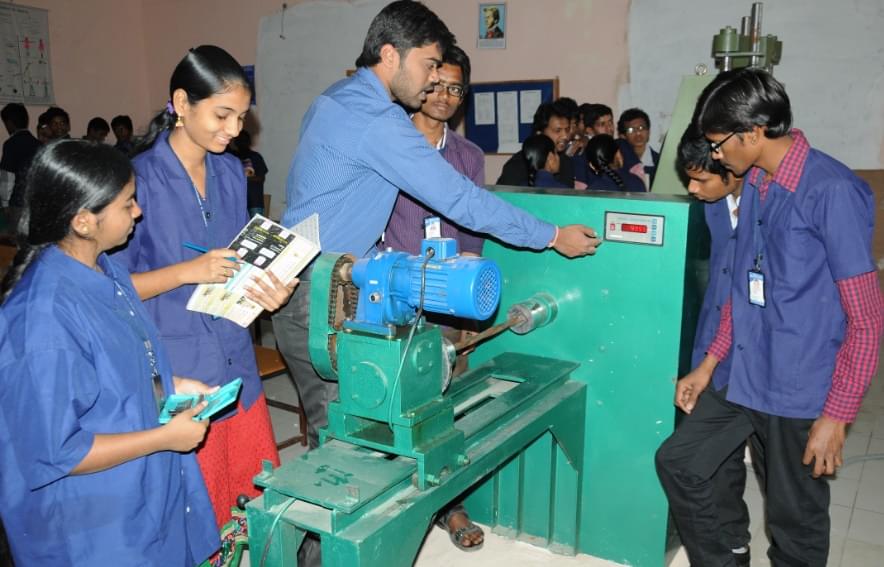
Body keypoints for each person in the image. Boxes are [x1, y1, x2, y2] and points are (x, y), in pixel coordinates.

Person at [274, 2, 600, 563]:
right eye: (428, 66)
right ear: (389, 54)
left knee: (329, 448)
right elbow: (460, 199)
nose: (433, 81)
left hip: (302, 283)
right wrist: (549, 235)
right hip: (324, 298)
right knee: (344, 465)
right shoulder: (378, 121)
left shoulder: (333, 99)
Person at [656, 67, 884, 566]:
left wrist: (837, 415)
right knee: (680, 463)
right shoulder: (759, 182)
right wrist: (709, 363)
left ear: (752, 133)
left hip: (798, 390)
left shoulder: (832, 191)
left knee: (793, 521)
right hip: (744, 374)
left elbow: (867, 319)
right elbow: (743, 286)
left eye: (718, 143)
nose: (715, 155)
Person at [0, 139, 219, 565]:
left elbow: (120, 363)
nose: (138, 212)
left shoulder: (101, 268)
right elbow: (58, 451)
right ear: (83, 221)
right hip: (91, 521)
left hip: (139, 487)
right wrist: (164, 437)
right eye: (127, 204)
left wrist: (172, 383)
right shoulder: (42, 319)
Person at [114, 45, 297, 529]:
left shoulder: (231, 172)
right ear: (180, 102)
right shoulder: (137, 181)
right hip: (180, 372)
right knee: (197, 518)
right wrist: (184, 272)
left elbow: (235, 265)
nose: (234, 130)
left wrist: (267, 293)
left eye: (240, 117)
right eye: (222, 115)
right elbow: (110, 290)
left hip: (236, 357)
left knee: (253, 511)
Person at [382, 43, 486, 552]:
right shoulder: (386, 143)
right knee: (394, 406)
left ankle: (450, 505)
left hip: (449, 300)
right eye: (437, 83)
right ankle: (397, 505)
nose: (444, 96)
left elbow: (472, 232)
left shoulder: (468, 157)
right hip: (394, 301)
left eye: (456, 88)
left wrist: (468, 312)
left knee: (447, 406)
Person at [675, 123, 760, 566]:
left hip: (758, 359)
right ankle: (733, 542)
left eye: (701, 178)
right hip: (713, 345)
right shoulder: (712, 205)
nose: (692, 188)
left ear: (734, 170)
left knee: (776, 473)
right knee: (718, 461)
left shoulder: (767, 207)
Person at [497, 102, 575, 187]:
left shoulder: (566, 162)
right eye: (557, 130)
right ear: (539, 133)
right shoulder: (518, 164)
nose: (565, 136)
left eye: (567, 130)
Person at [1, 103, 41, 211]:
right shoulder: (38, 144)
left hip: (17, 203)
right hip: (36, 202)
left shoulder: (11, 144)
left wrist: (5, 204)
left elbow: (7, 178)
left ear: (9, 123)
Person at [617, 107, 658, 190]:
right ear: (623, 136)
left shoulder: (659, 162)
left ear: (649, 132)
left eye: (641, 128)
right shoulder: (618, 163)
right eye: (631, 130)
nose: (638, 133)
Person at [230, 129, 268, 217]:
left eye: (244, 140)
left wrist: (240, 177)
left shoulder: (256, 157)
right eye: (239, 140)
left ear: (249, 142)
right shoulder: (231, 157)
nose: (242, 143)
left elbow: (260, 178)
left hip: (254, 202)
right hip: (235, 202)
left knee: (256, 230)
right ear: (235, 142)